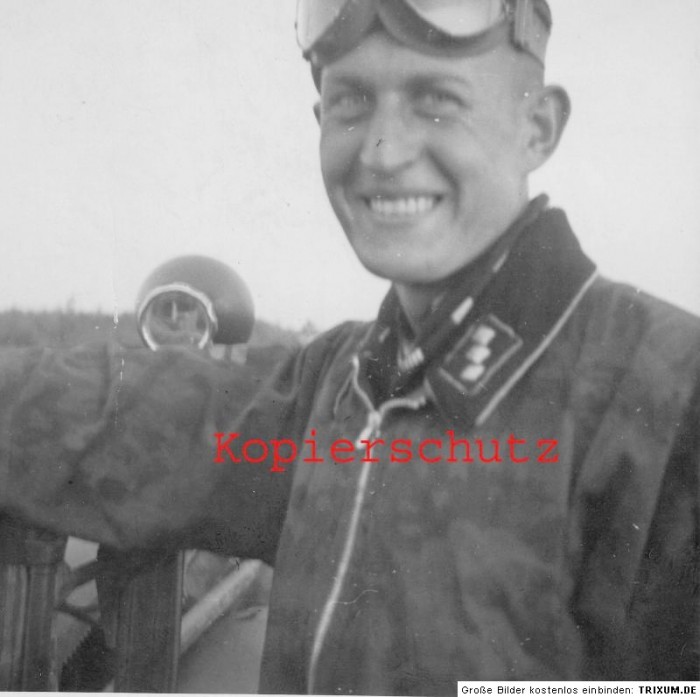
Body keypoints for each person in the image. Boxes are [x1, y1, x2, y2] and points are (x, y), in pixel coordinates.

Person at [0, 0, 698, 692]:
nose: (381, 151)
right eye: (352, 102)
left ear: (536, 128)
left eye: (436, 101)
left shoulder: (670, 397)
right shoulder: (337, 385)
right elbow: (112, 412)